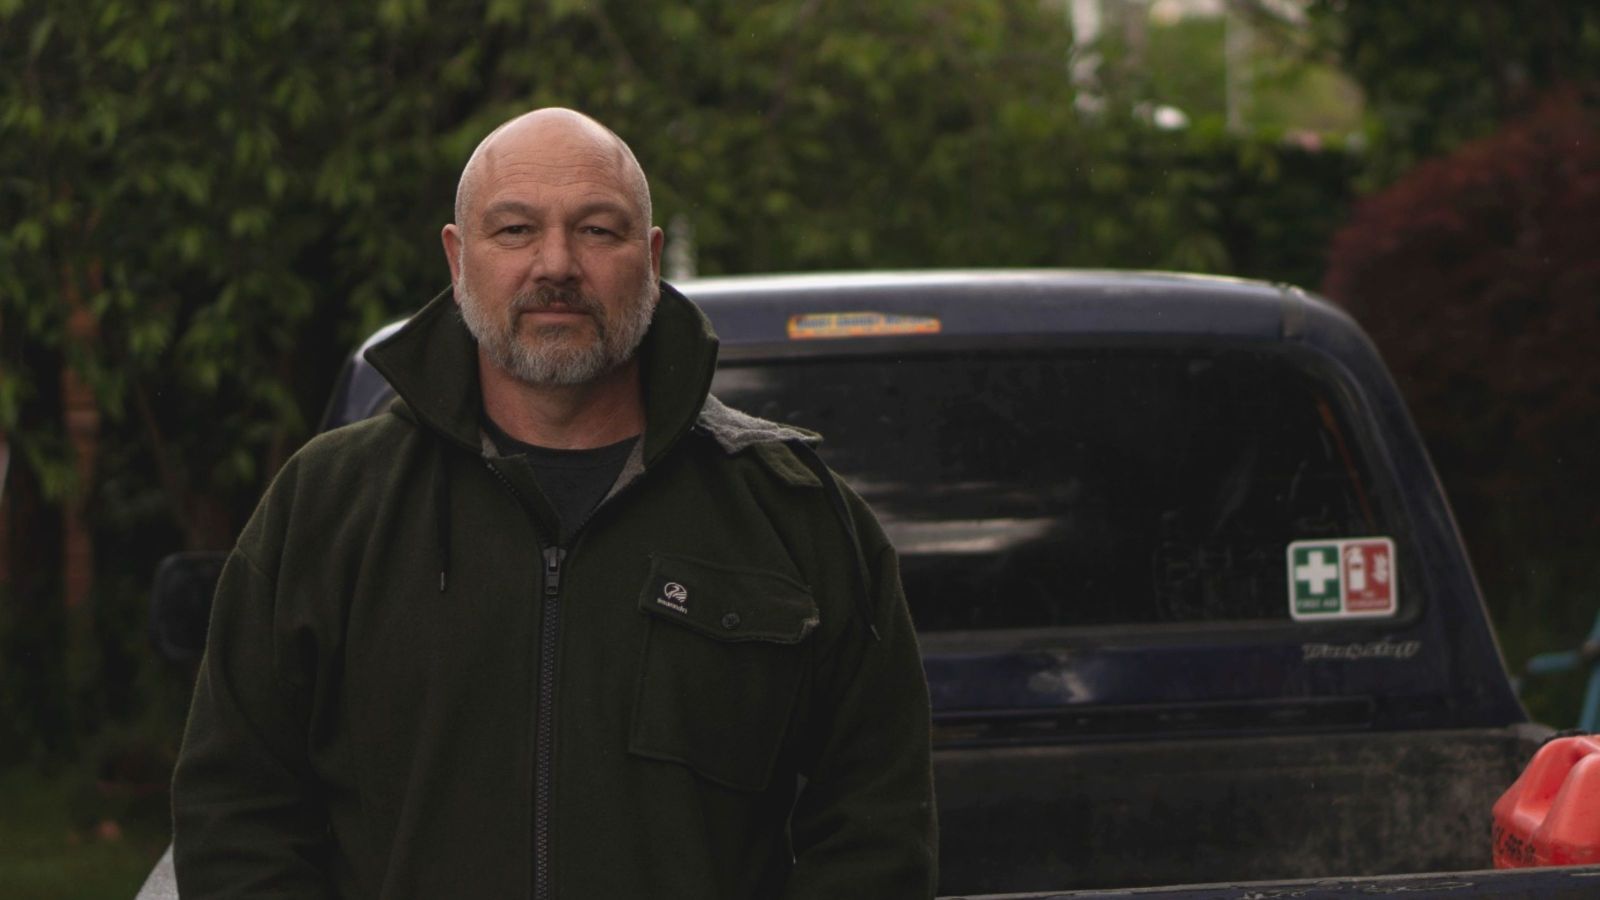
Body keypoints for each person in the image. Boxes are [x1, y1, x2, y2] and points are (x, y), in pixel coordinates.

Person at [171, 108, 937, 899]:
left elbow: (874, 831)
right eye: (514, 231)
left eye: (598, 231)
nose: (557, 264)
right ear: (457, 258)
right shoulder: (328, 507)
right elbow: (236, 814)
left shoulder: (795, 517)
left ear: (649, 257)